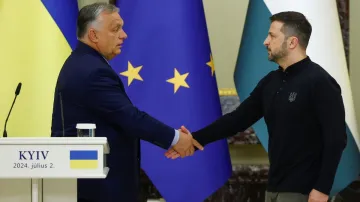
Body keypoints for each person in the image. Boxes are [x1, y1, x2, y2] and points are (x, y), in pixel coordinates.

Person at [166, 11, 347, 202]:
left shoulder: (321, 82)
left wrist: (322, 189)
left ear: (292, 42)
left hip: (306, 193)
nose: (265, 42)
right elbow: (236, 120)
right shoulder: (271, 82)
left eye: (272, 36)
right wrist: (194, 140)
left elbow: (336, 140)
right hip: (273, 188)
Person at [51, 3, 202, 202]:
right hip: (98, 189)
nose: (124, 35)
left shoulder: (84, 63)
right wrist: (176, 139)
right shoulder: (91, 71)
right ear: (94, 35)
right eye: (115, 29)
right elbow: (130, 117)